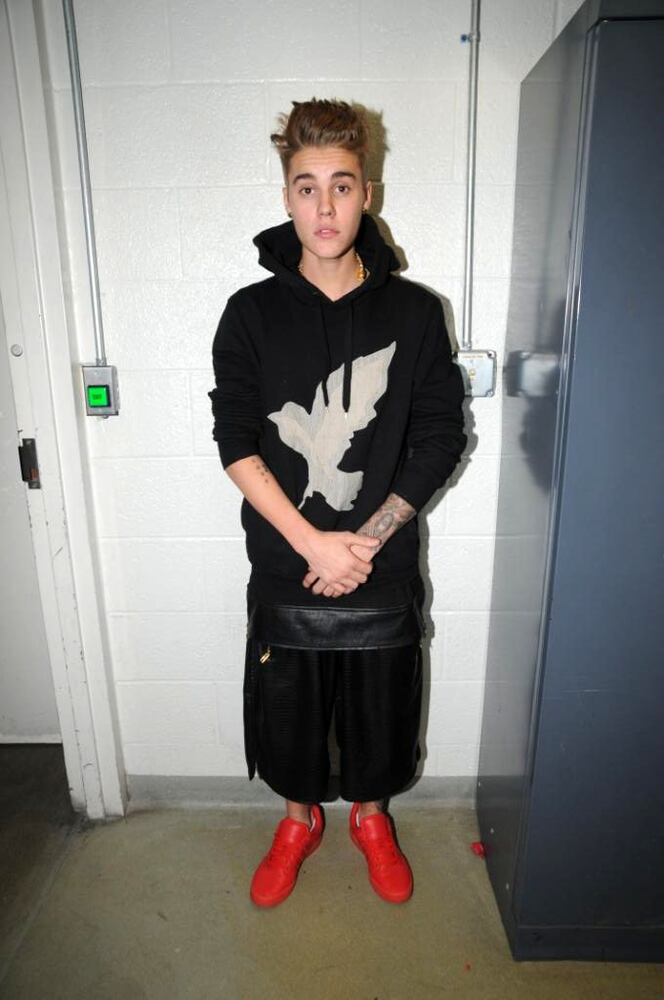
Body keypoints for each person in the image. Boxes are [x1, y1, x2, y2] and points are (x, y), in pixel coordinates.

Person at [209, 99, 466, 908]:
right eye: (307, 186)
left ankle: (370, 818)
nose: (325, 207)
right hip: (287, 562)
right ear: (286, 196)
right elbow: (235, 441)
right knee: (289, 716)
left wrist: (365, 540)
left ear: (367, 194)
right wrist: (312, 543)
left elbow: (440, 437)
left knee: (381, 711)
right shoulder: (248, 315)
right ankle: (298, 822)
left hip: (379, 564)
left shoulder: (415, 314)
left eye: (342, 186)